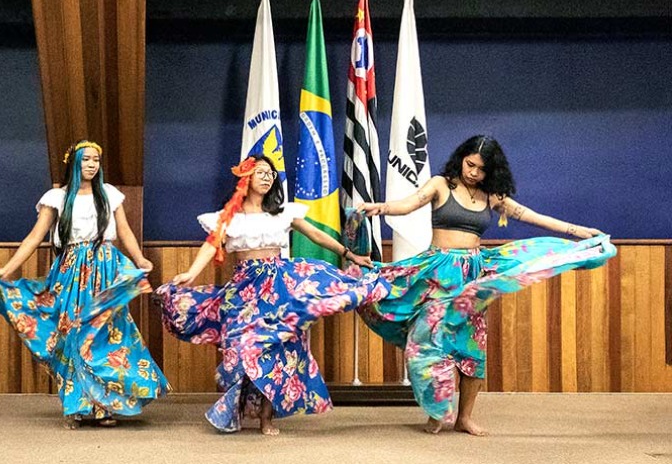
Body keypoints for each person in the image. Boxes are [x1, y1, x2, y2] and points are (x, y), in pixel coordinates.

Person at [356, 135, 616, 436]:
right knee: (429, 342)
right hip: (438, 275)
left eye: (481, 169)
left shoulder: (490, 195)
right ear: (461, 158)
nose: (473, 173)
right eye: (470, 165)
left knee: (472, 347)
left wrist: (577, 231)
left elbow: (530, 216)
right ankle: (436, 411)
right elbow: (411, 203)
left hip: (474, 279)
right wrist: (382, 208)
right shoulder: (442, 184)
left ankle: (464, 417)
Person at [155, 155, 389, 435]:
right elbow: (210, 246)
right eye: (261, 172)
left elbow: (316, 235)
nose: (268, 177)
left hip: (280, 289)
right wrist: (190, 274)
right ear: (246, 178)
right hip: (245, 291)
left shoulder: (283, 212)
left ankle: (267, 418)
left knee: (277, 352)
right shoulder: (228, 218)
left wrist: (348, 254)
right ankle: (236, 407)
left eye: (271, 173)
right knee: (242, 349)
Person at [0, 140, 169, 429]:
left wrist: (140, 258)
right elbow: (34, 237)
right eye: (86, 160)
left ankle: (104, 407)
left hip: (105, 269)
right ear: (74, 164)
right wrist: (7, 269)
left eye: (96, 160)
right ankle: (75, 406)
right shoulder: (56, 198)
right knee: (72, 334)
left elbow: (125, 232)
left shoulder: (109, 195)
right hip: (70, 272)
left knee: (105, 335)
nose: (92, 165)